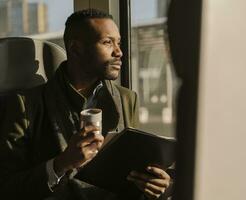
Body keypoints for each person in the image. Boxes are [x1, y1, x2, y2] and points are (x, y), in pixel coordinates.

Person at [0, 9, 171, 200]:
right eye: (107, 42)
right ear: (75, 49)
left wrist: (153, 184)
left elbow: (133, 172)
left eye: (119, 43)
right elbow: (7, 188)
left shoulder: (127, 99)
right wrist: (60, 164)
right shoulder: (25, 104)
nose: (119, 52)